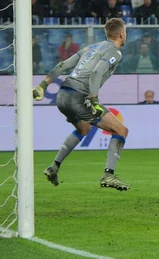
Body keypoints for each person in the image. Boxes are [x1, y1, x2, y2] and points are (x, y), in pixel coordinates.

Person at [32, 18, 131, 191]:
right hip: (80, 96)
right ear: (122, 34)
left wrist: (43, 85)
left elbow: (62, 65)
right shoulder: (115, 52)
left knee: (83, 129)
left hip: (62, 95)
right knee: (121, 130)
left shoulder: (91, 47)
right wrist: (94, 100)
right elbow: (95, 74)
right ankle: (109, 174)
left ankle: (54, 167)